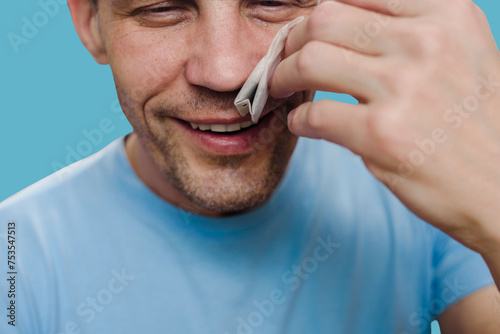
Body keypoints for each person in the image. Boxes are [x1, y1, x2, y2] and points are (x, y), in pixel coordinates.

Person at [1, 0, 500, 333]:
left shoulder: (421, 184)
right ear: (91, 24)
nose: (226, 73)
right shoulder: (14, 249)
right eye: (162, 8)